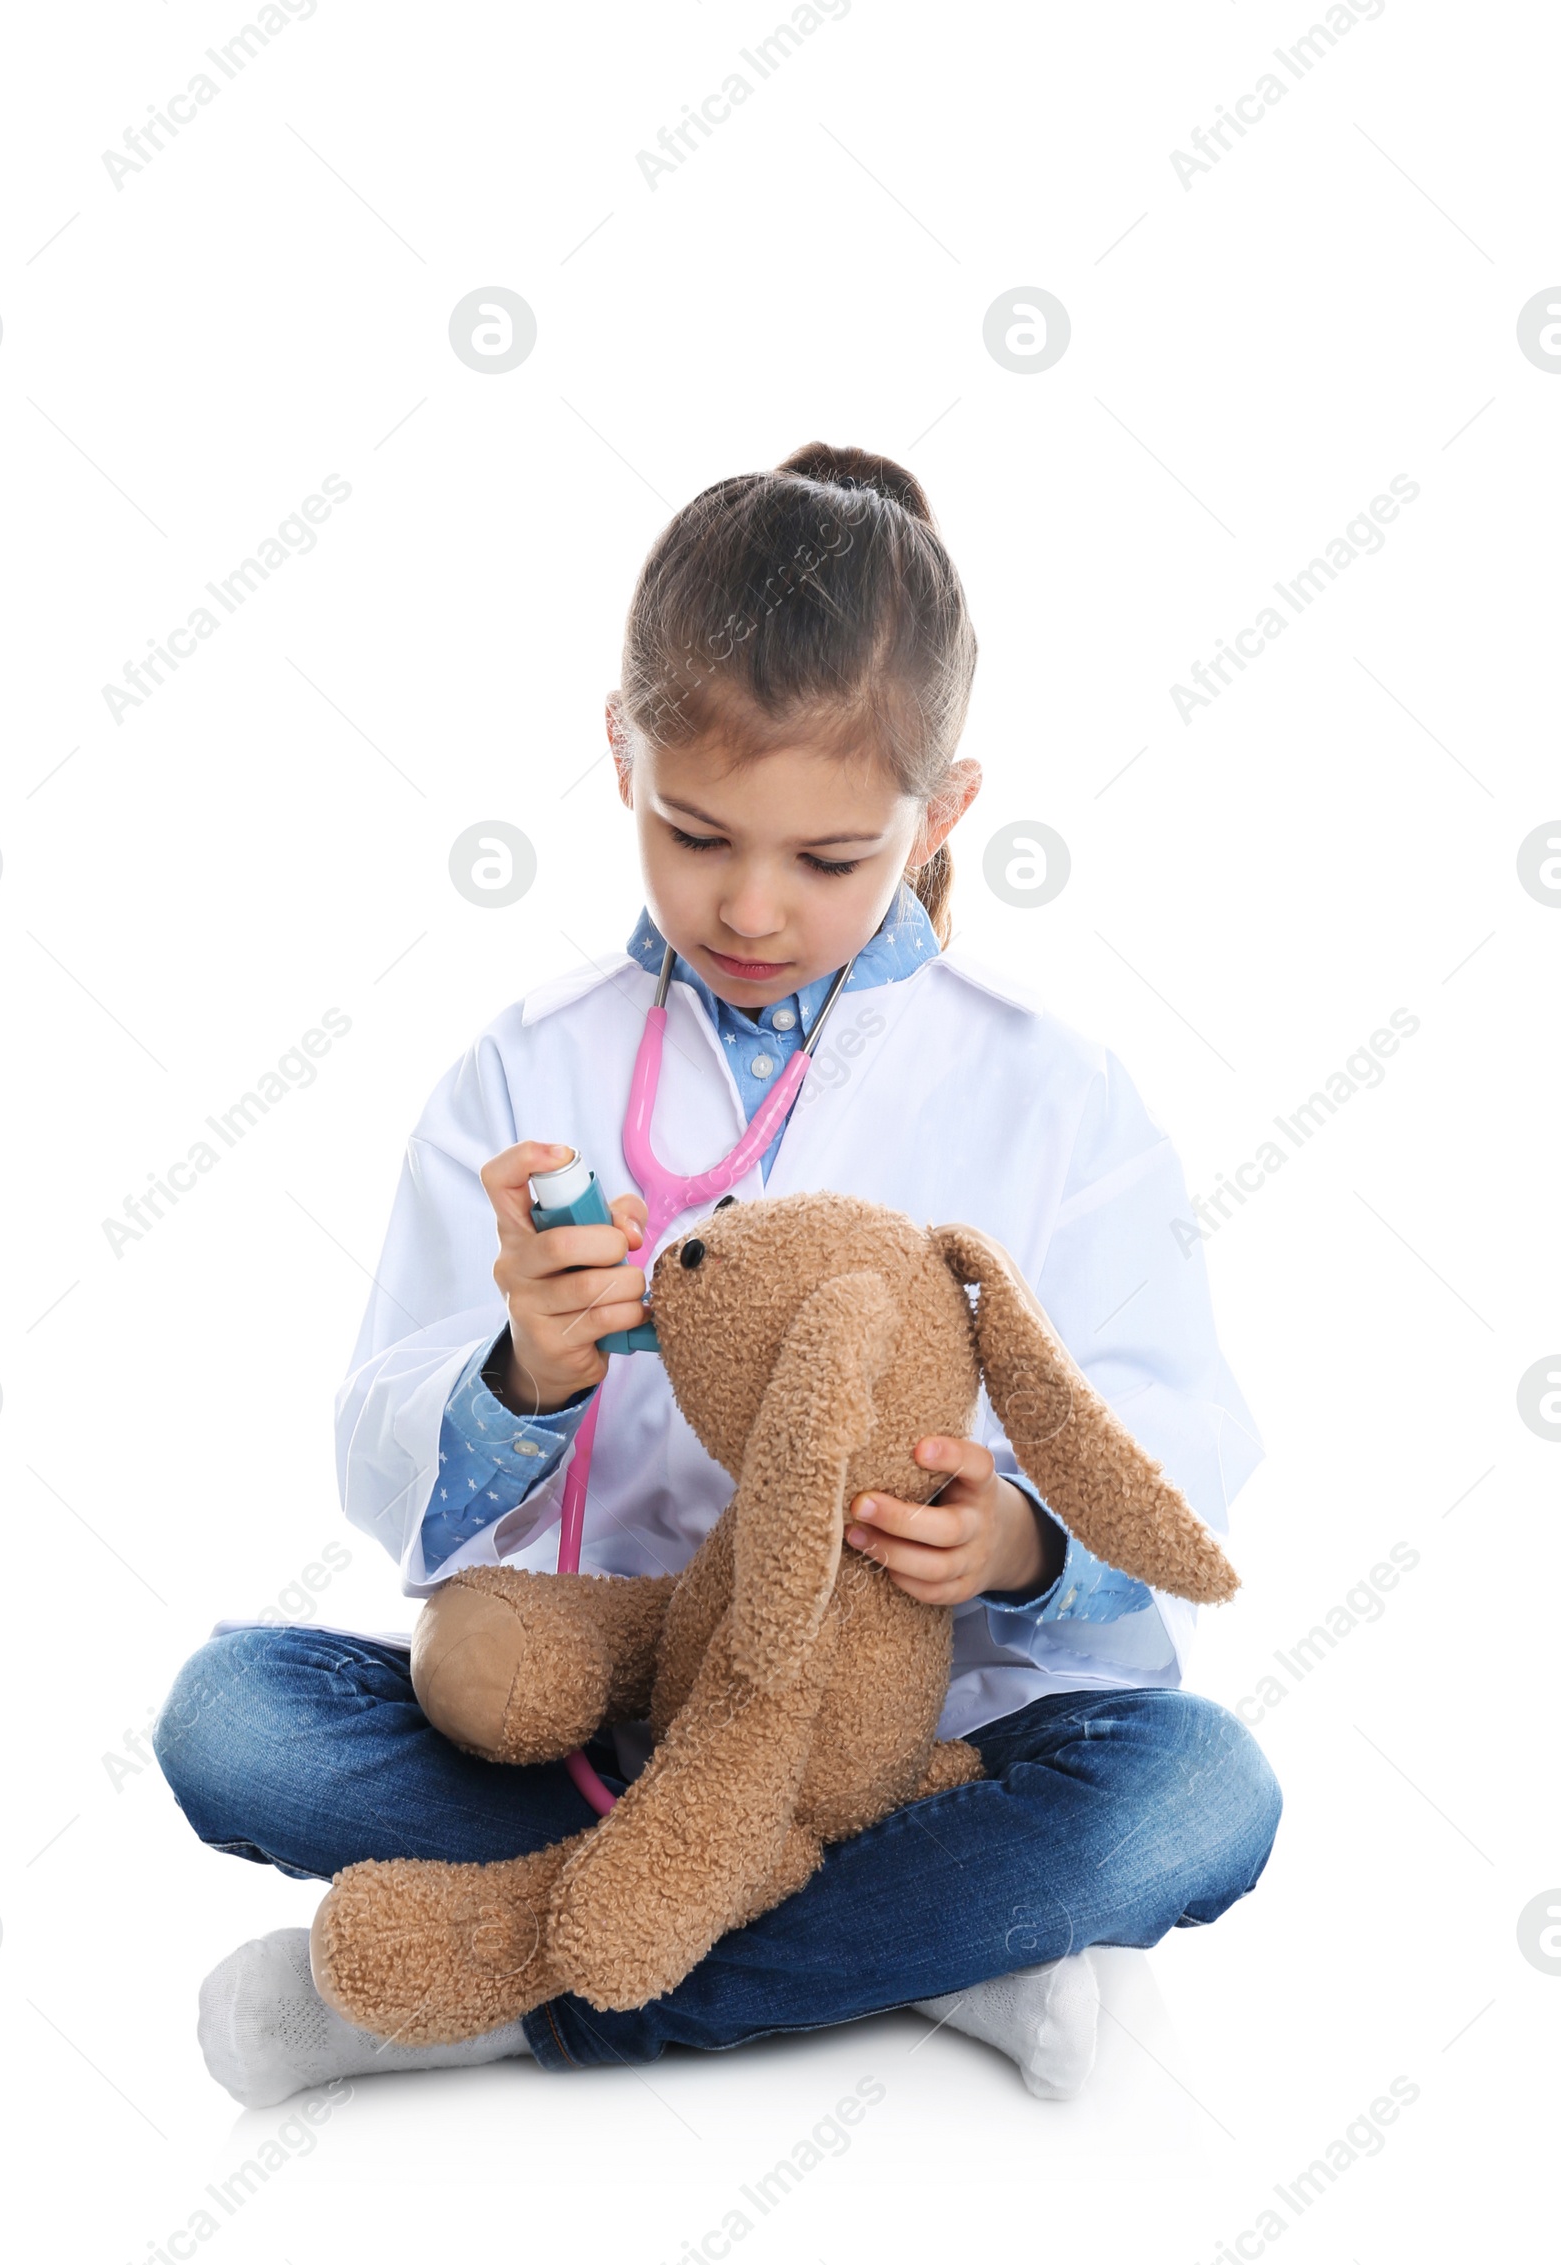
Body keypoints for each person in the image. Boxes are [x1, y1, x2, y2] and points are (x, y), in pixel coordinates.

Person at [154, 441, 1282, 2110]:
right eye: (696, 834)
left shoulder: (1051, 1092)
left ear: (943, 812)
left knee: (1198, 1793)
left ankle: (495, 1982)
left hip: (927, 1744)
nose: (751, 905)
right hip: (615, 1718)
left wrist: (1020, 1537)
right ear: (619, 753)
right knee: (231, 1720)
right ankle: (940, 1952)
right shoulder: (524, 1069)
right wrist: (522, 1374)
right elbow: (382, 1451)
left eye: (829, 859)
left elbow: (1177, 1452)